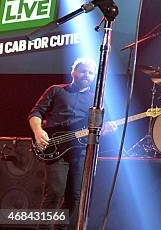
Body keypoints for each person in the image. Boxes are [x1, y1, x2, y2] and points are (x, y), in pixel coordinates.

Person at [28, 57, 115, 229]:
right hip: (54, 146)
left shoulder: (96, 101)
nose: (86, 75)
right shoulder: (56, 90)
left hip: (80, 151)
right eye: (83, 71)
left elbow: (98, 128)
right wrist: (38, 131)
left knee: (74, 196)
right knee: (54, 192)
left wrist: (106, 130)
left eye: (90, 73)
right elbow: (36, 112)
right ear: (73, 72)